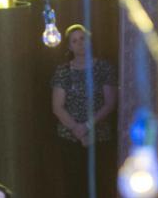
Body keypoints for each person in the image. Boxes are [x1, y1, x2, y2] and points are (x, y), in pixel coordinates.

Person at [51, 24, 117, 198]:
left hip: (99, 136)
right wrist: (78, 130)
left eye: (83, 38)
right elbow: (57, 107)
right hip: (70, 138)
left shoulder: (103, 67)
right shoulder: (63, 71)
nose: (80, 43)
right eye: (75, 41)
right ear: (69, 47)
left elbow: (110, 102)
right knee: (74, 186)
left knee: (100, 185)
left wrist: (87, 126)